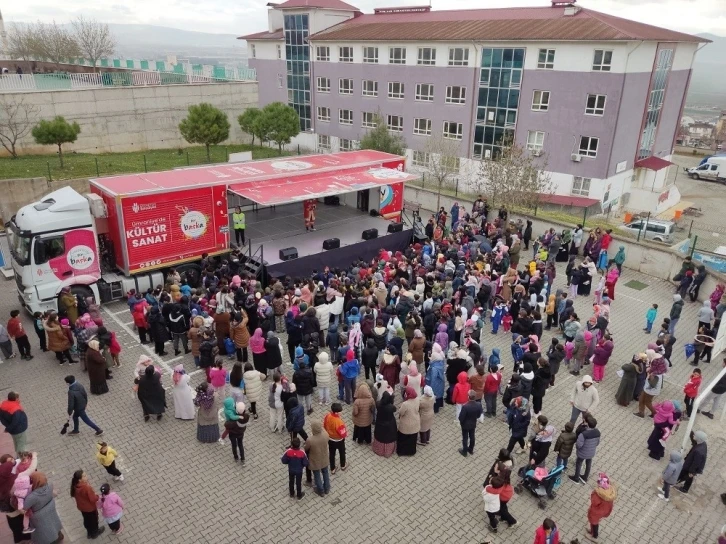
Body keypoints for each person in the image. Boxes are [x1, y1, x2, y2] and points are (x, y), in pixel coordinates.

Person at [18, 472, 64, 544]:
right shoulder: (50, 486)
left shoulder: (31, 497)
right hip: (51, 510)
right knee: (54, 524)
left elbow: (24, 508)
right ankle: (59, 536)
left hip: (39, 517)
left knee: (44, 533)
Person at [71, 470, 104, 539]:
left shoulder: (75, 485)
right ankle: (95, 533)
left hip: (82, 507)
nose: (87, 476)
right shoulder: (86, 488)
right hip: (90, 508)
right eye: (84, 476)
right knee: (94, 521)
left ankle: (89, 533)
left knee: (86, 520)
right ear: (80, 480)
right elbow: (93, 499)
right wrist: (98, 497)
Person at [569, 414, 600, 485]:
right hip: (591, 453)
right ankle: (585, 478)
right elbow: (597, 443)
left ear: (588, 424)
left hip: (582, 453)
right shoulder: (597, 432)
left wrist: (578, 449)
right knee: (588, 464)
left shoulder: (583, 434)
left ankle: (576, 478)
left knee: (579, 463)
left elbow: (579, 445)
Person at [304, 420, 331, 497]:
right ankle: (327, 488)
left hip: (315, 460)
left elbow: (306, 448)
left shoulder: (310, 440)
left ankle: (321, 491)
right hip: (324, 457)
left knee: (317, 474)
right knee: (325, 472)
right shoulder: (326, 434)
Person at [586, 473, 616, 541]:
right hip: (604, 510)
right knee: (595, 521)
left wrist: (593, 493)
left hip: (597, 511)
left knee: (594, 521)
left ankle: (594, 536)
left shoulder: (599, 494)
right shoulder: (609, 491)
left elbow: (594, 502)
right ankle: (592, 531)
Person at [323, 403, 348, 473]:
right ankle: (343, 465)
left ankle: (332, 469)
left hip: (330, 439)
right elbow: (343, 433)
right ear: (337, 412)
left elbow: (324, 425)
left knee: (332, 453)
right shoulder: (339, 421)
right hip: (339, 440)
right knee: (342, 452)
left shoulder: (327, 416)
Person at [372, 392, 397, 457]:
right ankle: (388, 451)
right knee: (388, 436)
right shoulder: (391, 407)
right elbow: (395, 409)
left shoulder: (378, 404)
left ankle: (379, 449)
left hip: (380, 423)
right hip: (389, 424)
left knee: (380, 435)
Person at [397, 387, 421, 456]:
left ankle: (401, 452)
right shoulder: (417, 399)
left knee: (403, 439)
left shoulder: (405, 404)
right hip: (415, 423)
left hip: (406, 425)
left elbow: (401, 412)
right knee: (412, 439)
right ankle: (411, 452)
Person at [459, 390, 483, 457]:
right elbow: (479, 415)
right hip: (473, 423)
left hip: (465, 425)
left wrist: (461, 422)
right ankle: (471, 449)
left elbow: (461, 417)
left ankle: (464, 451)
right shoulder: (478, 405)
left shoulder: (465, 406)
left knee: (465, 437)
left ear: (468, 397)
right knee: (472, 436)